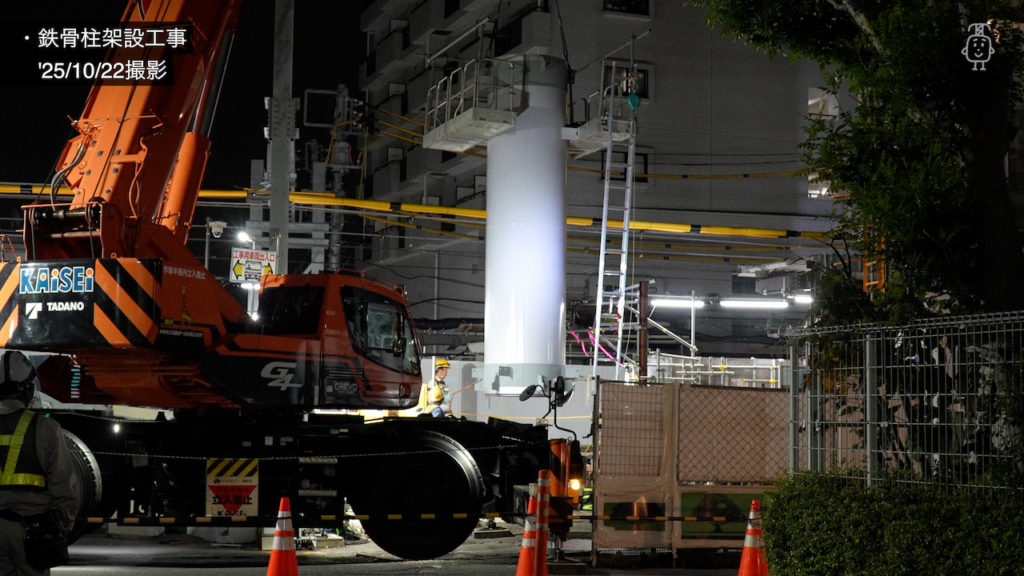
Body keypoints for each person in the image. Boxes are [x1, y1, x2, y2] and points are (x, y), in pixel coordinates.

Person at [0, 350, 78, 575]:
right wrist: (61, 528)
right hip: (32, 530)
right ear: (28, 389)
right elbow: (64, 486)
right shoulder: (46, 428)